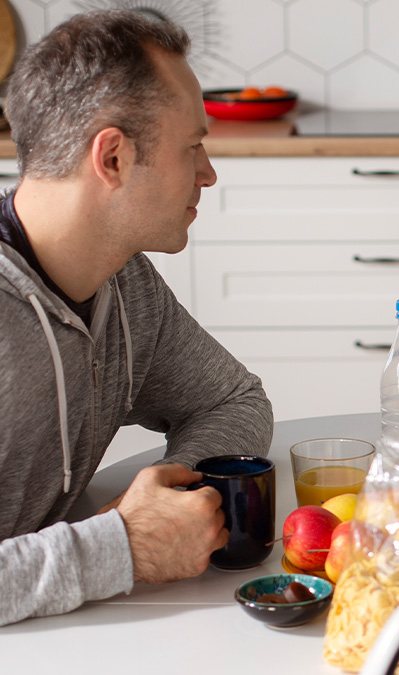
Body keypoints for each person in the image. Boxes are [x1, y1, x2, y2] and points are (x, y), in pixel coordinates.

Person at [0, 11, 273, 626]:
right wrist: (119, 546)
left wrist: (167, 503)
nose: (207, 172)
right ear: (115, 157)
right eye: (192, 146)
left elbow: (230, 400)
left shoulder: (123, 281)